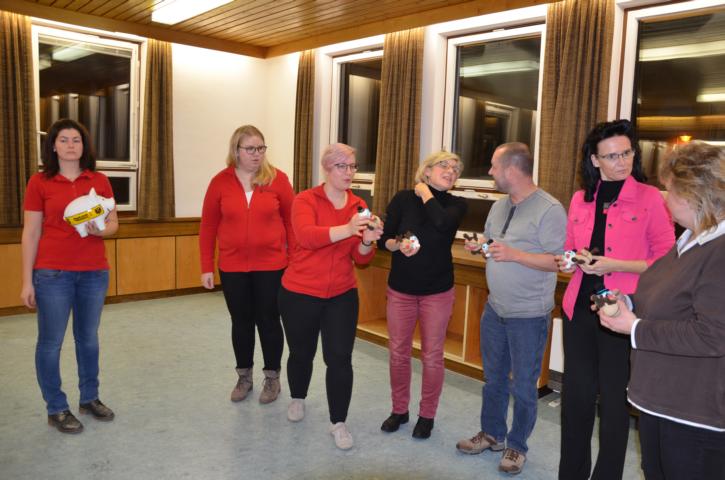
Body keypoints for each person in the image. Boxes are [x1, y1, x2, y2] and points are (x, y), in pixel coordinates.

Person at [556, 119, 674, 480]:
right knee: (576, 399)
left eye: (626, 153)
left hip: (621, 312)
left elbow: (666, 260)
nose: (621, 161)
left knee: (613, 403)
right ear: (595, 160)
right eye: (611, 156)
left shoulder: (650, 198)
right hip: (579, 308)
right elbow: (569, 248)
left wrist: (614, 264)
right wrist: (570, 259)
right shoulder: (580, 198)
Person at [598, 142, 725, 480]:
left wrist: (635, 328)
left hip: (693, 412)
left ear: (694, 195)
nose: (666, 199)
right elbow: (667, 297)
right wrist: (627, 302)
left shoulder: (719, 251)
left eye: (671, 190)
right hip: (659, 399)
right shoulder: (688, 240)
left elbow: (714, 335)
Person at [456, 142, 567, 475]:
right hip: (495, 309)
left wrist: (514, 254)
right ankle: (492, 434)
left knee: (523, 386)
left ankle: (517, 446)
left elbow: (558, 261)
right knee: (493, 379)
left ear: (512, 169)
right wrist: (481, 246)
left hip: (529, 316)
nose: (490, 172)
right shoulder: (499, 205)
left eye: (494, 166)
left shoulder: (550, 209)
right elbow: (494, 243)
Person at [278, 143, 383, 450]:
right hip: (299, 292)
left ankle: (338, 422)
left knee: (339, 358)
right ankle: (298, 397)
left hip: (341, 294)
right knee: (301, 352)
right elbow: (307, 237)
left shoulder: (359, 206)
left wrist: (367, 240)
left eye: (352, 166)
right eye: (341, 166)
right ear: (326, 168)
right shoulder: (305, 200)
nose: (349, 172)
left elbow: (361, 258)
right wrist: (348, 228)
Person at [21, 118, 119, 434]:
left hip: (94, 272)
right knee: (51, 343)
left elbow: (113, 224)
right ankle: (56, 407)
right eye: (63, 140)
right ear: (53, 146)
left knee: (88, 339)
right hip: (52, 274)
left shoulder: (99, 180)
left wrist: (100, 230)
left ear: (84, 145)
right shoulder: (39, 182)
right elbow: (31, 233)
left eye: (76, 139)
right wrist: (26, 281)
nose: (70, 145)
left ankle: (89, 398)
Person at [199, 125, 294, 404]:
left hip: (272, 265)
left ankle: (272, 378)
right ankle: (244, 376)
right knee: (241, 322)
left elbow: (292, 222)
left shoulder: (278, 179)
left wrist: (294, 260)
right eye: (250, 149)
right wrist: (206, 266)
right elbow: (208, 227)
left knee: (269, 321)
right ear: (236, 151)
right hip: (232, 266)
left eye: (261, 148)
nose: (256, 154)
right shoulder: (220, 182)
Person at [377, 151, 467, 439]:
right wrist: (397, 245)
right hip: (401, 290)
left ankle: (427, 415)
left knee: (432, 356)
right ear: (426, 170)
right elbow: (384, 239)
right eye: (444, 165)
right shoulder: (403, 199)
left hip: (437, 291)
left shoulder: (456, 204)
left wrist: (425, 192)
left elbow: (441, 223)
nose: (451, 171)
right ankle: (399, 410)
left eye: (456, 169)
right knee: (398, 353)